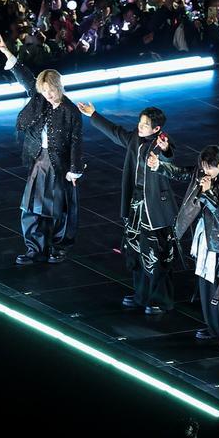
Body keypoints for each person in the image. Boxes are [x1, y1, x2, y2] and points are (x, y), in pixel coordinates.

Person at [77, 102, 175, 314]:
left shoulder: (159, 145)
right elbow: (114, 131)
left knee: (155, 254)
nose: (140, 127)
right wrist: (93, 114)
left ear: (157, 129)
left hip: (154, 208)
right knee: (136, 250)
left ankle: (160, 299)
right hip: (136, 204)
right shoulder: (134, 140)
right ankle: (141, 294)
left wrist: (166, 148)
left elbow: (168, 156)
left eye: (145, 125)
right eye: (140, 123)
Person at [148, 145, 219, 348]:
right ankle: (214, 327)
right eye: (203, 167)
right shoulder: (203, 172)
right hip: (207, 235)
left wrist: (208, 192)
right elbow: (183, 173)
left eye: (209, 168)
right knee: (206, 283)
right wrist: (159, 165)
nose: (205, 172)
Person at [0, 36, 83, 266]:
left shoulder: (70, 111)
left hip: (60, 164)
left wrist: (73, 170)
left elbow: (76, 141)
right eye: (44, 91)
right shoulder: (40, 101)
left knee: (60, 209)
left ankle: (59, 247)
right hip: (40, 160)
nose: (48, 94)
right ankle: (34, 248)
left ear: (59, 86)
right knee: (32, 205)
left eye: (51, 90)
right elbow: (25, 79)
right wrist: (8, 53)